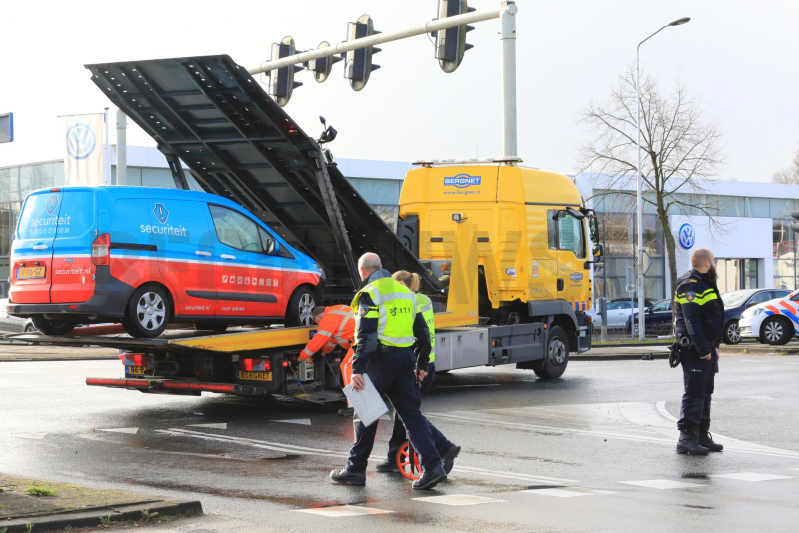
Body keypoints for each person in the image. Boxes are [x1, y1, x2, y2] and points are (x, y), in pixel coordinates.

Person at [330, 253, 447, 490]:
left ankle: (355, 470)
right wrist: (422, 365)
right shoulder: (407, 294)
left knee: (365, 412)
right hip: (405, 361)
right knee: (412, 416)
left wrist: (358, 368)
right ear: (382, 267)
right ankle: (433, 467)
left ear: (362, 271)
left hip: (379, 361)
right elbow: (424, 336)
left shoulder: (370, 293)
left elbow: (366, 335)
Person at [378, 270, 460, 475]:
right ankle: (395, 457)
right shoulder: (423, 300)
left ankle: (441, 447)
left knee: (408, 414)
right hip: (427, 363)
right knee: (404, 413)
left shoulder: (407, 302)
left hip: (415, 366)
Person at [672, 248, 725, 455]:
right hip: (694, 349)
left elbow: (710, 318)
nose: (714, 264)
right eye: (713, 261)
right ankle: (686, 437)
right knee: (694, 392)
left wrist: (714, 346)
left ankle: (702, 435)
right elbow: (691, 321)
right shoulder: (690, 286)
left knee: (705, 391)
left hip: (706, 347)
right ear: (707, 264)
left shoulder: (704, 283)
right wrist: (703, 349)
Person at [299, 305, 356, 417]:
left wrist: (301, 357)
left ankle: (353, 406)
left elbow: (317, 340)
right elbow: (332, 340)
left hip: (359, 342)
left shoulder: (328, 318)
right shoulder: (336, 312)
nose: (318, 325)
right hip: (367, 338)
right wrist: (324, 352)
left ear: (320, 316)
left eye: (317, 322)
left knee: (346, 367)